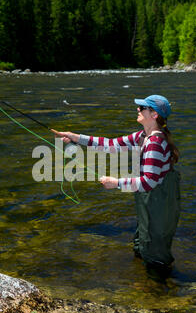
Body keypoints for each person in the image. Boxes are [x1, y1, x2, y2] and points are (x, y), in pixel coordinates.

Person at [52, 95, 181, 280]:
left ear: (154, 115)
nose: (138, 109)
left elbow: (149, 182)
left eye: (142, 107)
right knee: (142, 244)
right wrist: (75, 137)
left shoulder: (154, 143)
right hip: (153, 200)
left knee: (156, 255)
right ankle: (145, 285)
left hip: (159, 202)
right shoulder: (143, 136)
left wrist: (116, 183)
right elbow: (110, 144)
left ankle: (159, 296)